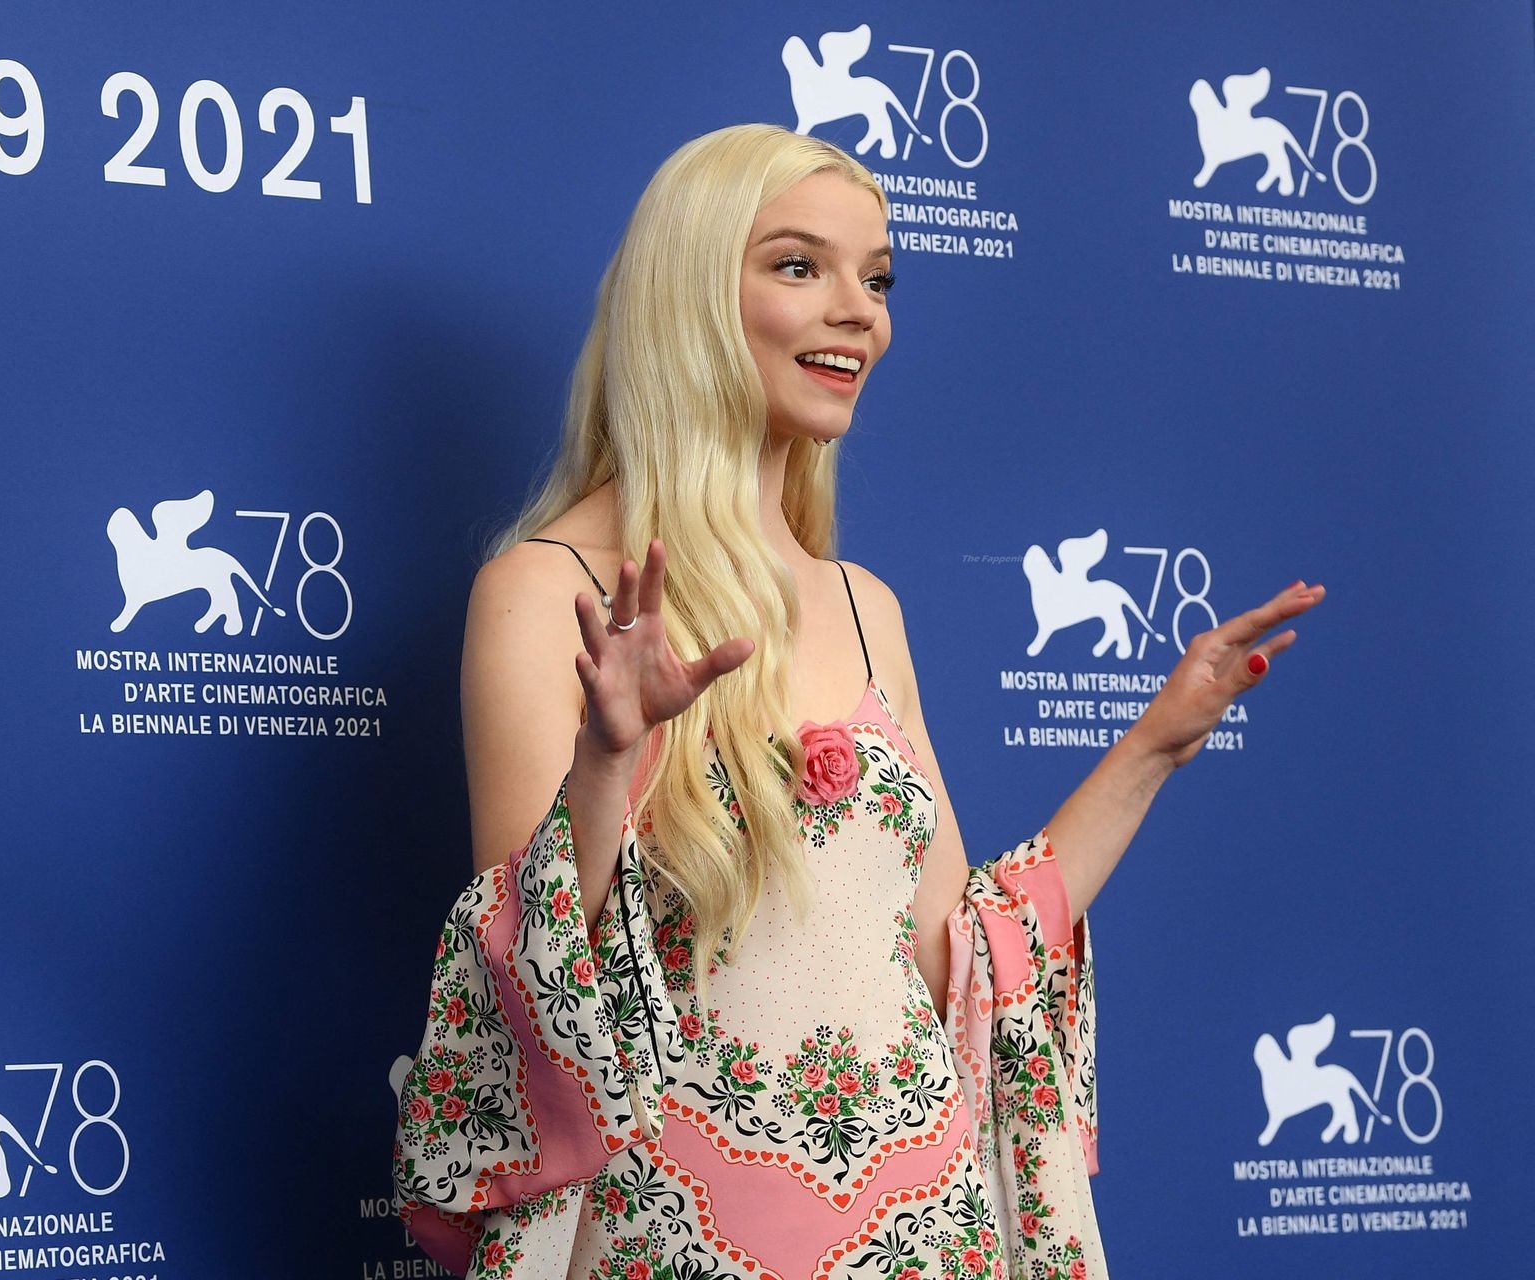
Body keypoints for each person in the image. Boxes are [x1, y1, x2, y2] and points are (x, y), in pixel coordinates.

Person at [389, 123, 1324, 1278]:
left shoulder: (865, 602)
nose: (858, 312)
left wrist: (1155, 745)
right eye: (800, 266)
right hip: (681, 1245)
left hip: (927, 1237)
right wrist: (607, 762)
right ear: (688, 293)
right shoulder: (545, 590)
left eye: (876, 279)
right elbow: (530, 993)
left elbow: (958, 961)